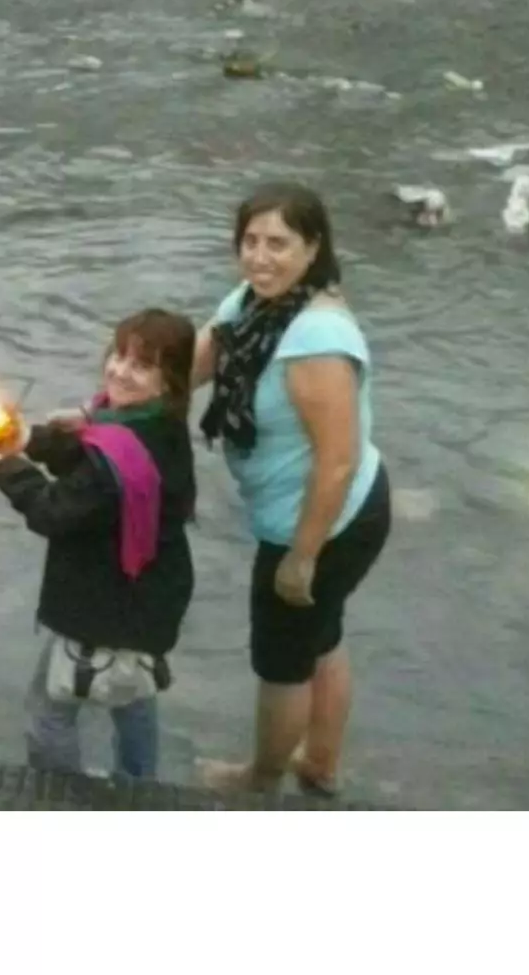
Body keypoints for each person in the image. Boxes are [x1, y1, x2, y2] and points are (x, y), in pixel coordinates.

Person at [191, 182, 392, 795]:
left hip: (321, 519)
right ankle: (321, 764)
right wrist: (114, 405)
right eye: (250, 241)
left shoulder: (314, 338)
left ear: (313, 248)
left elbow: (335, 461)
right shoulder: (258, 302)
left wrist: (301, 557)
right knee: (321, 635)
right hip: (349, 507)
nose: (260, 257)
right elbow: (192, 362)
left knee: (282, 665)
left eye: (278, 243)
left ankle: (261, 779)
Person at [0, 309, 198, 782]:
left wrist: (3, 464)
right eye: (119, 355)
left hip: (105, 602)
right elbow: (89, 453)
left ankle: (63, 798)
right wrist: (28, 440)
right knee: (134, 695)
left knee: (48, 715)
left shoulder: (120, 454)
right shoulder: (154, 424)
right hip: (152, 593)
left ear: (169, 382)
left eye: (141, 365)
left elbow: (53, 510)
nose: (120, 371)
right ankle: (138, 786)